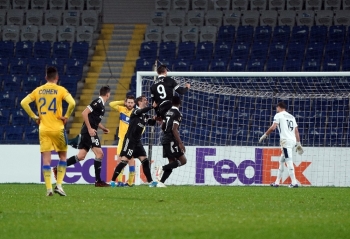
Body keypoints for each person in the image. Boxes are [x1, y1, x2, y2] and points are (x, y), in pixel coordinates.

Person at [20, 66, 76, 196]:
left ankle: (49, 189)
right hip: (58, 128)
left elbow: (23, 102)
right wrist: (66, 116)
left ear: (46, 78)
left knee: (46, 160)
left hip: (43, 129)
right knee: (62, 157)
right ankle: (59, 186)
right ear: (57, 78)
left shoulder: (38, 90)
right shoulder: (60, 90)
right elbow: (72, 103)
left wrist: (34, 117)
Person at [53, 85, 111, 187]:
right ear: (108, 94)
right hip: (89, 132)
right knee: (100, 154)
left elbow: (94, 119)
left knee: (81, 156)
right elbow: (84, 113)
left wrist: (103, 128)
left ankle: (58, 168)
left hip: (88, 132)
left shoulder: (101, 104)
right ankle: (98, 181)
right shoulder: (97, 102)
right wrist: (89, 128)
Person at [110, 95, 158, 187]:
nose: (146, 101)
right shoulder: (135, 111)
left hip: (137, 141)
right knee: (123, 161)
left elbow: (150, 123)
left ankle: (151, 182)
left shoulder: (144, 115)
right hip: (130, 140)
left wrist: (155, 119)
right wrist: (152, 106)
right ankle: (112, 180)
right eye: (145, 100)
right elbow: (140, 111)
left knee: (145, 160)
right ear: (139, 102)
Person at [259, 101, 304, 188]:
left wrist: (265, 135)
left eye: (277, 108)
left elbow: (273, 127)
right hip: (293, 141)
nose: (276, 109)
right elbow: (296, 131)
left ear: (279, 107)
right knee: (282, 160)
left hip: (285, 142)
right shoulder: (292, 117)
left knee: (289, 160)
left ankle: (294, 182)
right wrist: (298, 143)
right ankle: (277, 182)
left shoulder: (278, 115)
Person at [155, 96, 187, 187]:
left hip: (165, 138)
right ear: (180, 103)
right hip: (171, 139)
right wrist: (180, 143)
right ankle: (161, 168)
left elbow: (162, 127)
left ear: (172, 103)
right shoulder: (177, 114)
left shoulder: (168, 112)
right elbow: (174, 129)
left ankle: (161, 183)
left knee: (172, 163)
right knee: (183, 160)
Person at [109, 95, 136, 187]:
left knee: (131, 160)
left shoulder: (136, 113)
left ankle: (130, 183)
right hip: (121, 140)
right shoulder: (122, 109)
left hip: (131, 140)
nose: (130, 104)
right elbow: (111, 104)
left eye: (132, 103)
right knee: (120, 160)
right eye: (128, 102)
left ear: (134, 103)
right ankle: (120, 182)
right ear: (126, 102)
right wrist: (122, 102)